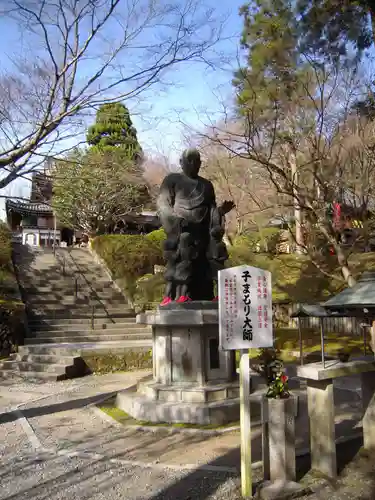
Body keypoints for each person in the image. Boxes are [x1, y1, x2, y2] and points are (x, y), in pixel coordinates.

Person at [157, 148, 234, 305]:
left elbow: (211, 209)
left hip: (203, 235)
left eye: (197, 161)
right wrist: (176, 220)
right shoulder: (172, 180)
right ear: (181, 162)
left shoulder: (206, 185)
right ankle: (177, 295)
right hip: (182, 232)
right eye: (189, 160)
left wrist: (219, 212)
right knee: (181, 265)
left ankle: (210, 295)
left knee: (207, 268)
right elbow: (163, 204)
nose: (193, 164)